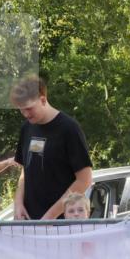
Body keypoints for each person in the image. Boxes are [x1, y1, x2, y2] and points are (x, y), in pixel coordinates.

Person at [11, 77, 93, 220]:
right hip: (30, 220)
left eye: (29, 109)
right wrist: (18, 203)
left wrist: (50, 216)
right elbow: (25, 170)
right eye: (21, 110)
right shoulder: (27, 128)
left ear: (43, 100)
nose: (26, 114)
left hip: (61, 223)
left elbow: (84, 180)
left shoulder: (69, 128)